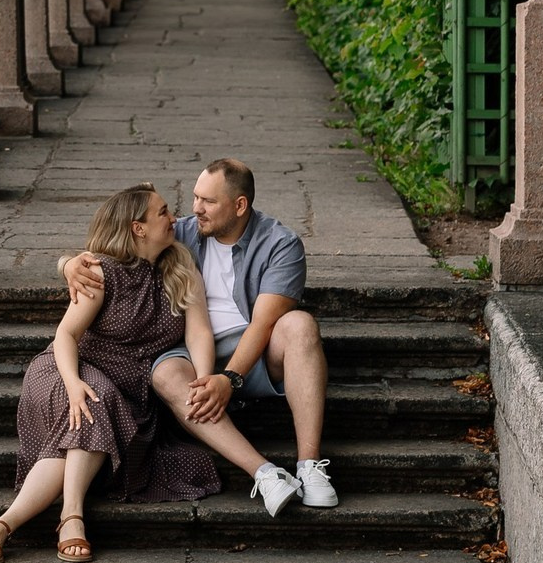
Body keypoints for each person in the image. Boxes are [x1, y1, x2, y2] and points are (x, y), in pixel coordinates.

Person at [62, 157, 338, 511]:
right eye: (195, 198)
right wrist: (69, 265)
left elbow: (264, 324)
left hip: (258, 349)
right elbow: (116, 245)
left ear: (240, 205)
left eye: (208, 201)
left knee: (300, 324)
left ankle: (310, 466)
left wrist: (229, 379)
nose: (195, 209)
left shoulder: (281, 244)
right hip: (191, 351)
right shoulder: (186, 232)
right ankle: (266, 474)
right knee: (164, 374)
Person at [0, 183, 222, 563]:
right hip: (64, 369)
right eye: (163, 213)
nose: (174, 219)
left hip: (127, 393)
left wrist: (204, 377)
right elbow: (66, 335)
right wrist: (72, 384)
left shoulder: (176, 264)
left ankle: (4, 524)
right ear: (138, 228)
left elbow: (199, 331)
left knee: (92, 412)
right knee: (92, 399)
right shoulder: (101, 272)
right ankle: (71, 516)